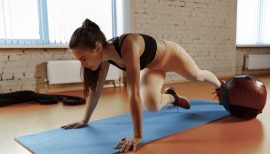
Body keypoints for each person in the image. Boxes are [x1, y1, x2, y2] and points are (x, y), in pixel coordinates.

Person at [61, 18, 223, 153]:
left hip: (171, 55)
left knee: (197, 76)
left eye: (83, 59)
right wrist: (84, 120)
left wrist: (137, 136)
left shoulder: (128, 44)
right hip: (153, 68)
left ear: (97, 47)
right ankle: (172, 97)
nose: (82, 65)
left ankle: (219, 85)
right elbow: (96, 91)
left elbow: (133, 94)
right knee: (152, 105)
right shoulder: (103, 59)